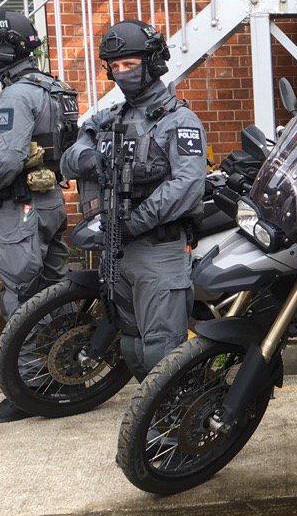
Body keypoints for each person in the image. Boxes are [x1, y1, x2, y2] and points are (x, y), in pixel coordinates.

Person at [61, 20, 205, 380]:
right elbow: (71, 153)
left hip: (158, 249)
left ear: (153, 63)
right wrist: (86, 158)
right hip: (118, 249)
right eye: (116, 67)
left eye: (131, 64)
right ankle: (153, 421)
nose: (123, 73)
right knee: (131, 343)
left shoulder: (179, 120)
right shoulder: (109, 118)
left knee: (161, 347)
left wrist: (134, 222)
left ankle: (172, 425)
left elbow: (187, 185)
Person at [0, 9, 72, 423]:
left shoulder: (17, 95)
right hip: (49, 201)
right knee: (53, 293)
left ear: (5, 48)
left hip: (21, 209)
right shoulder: (54, 87)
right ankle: (61, 376)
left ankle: (27, 390)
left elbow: (6, 160)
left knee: (21, 297)